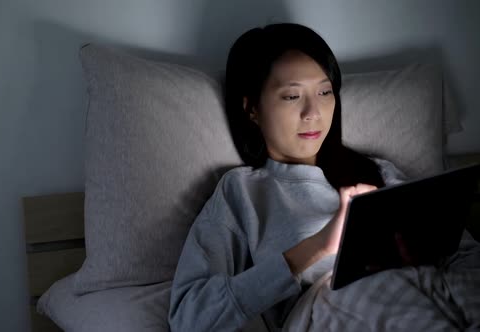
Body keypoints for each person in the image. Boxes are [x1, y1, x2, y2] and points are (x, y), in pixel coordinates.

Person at [167, 23, 413, 332]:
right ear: (252, 108)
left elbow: (463, 253)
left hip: (422, 291)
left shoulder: (376, 172)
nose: (313, 112)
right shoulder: (242, 193)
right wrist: (319, 246)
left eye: (325, 92)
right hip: (337, 310)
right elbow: (189, 319)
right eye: (292, 96)